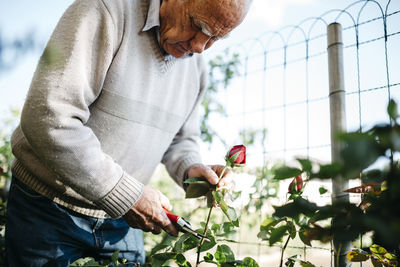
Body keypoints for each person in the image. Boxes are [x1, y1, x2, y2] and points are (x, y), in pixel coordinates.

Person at [5, 0, 251, 265]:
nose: (200, 47)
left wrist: (192, 170)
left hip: (122, 222)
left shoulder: (197, 70)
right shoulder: (105, 11)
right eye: (197, 25)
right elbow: (50, 117)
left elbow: (181, 140)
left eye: (216, 37)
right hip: (48, 209)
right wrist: (125, 194)